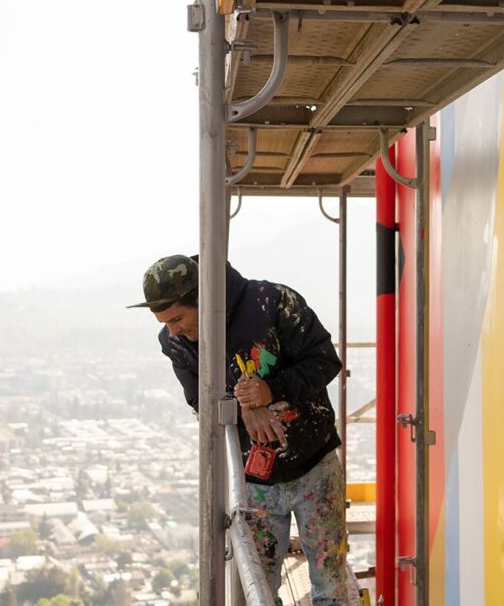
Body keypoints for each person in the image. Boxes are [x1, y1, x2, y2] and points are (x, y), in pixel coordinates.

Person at [129, 254, 348, 604]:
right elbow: (200, 401)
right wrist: (245, 403)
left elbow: (325, 361)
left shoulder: (272, 302)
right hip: (253, 481)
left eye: (177, 319)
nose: (172, 331)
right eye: (165, 323)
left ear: (202, 299)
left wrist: (271, 390)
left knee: (330, 582)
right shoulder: (175, 343)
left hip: (314, 466)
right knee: (258, 591)